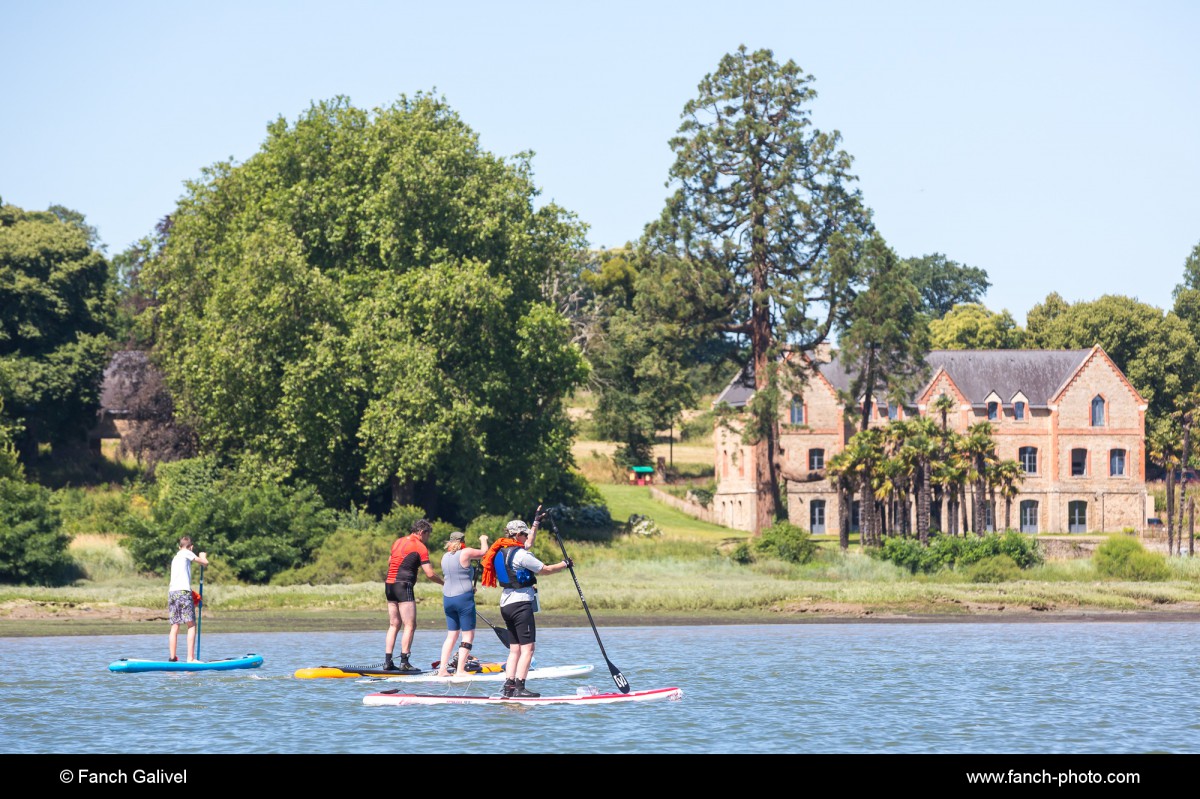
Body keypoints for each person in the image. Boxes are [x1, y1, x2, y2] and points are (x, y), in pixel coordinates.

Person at [480, 508, 572, 698]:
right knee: (528, 648)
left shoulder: (499, 552)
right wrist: (565, 564)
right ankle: (520, 688)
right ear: (518, 535)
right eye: (525, 534)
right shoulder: (521, 555)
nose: (527, 537)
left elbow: (528, 543)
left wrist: (536, 522)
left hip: (506, 603)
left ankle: (509, 686)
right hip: (521, 604)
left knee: (515, 649)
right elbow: (544, 570)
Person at [384, 518, 444, 672]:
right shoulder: (420, 546)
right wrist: (445, 583)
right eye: (427, 535)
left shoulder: (398, 541)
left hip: (389, 585)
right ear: (422, 532)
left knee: (394, 624)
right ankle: (404, 662)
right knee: (410, 624)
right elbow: (430, 574)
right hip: (403, 586)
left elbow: (390, 561)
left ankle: (388, 662)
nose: (427, 539)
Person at [435, 530, 491, 677]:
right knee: (468, 636)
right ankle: (460, 670)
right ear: (462, 541)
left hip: (448, 599)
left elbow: (455, 576)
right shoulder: (465, 552)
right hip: (463, 599)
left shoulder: (444, 557)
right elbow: (485, 553)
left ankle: (442, 670)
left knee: (451, 635)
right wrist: (483, 538)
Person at [168, 536, 209, 663]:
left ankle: (172, 658)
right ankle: (190, 658)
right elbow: (204, 563)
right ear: (191, 547)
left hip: (172, 592)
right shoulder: (187, 552)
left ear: (179, 546)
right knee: (191, 625)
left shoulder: (176, 557)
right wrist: (203, 556)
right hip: (183, 592)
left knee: (175, 625)